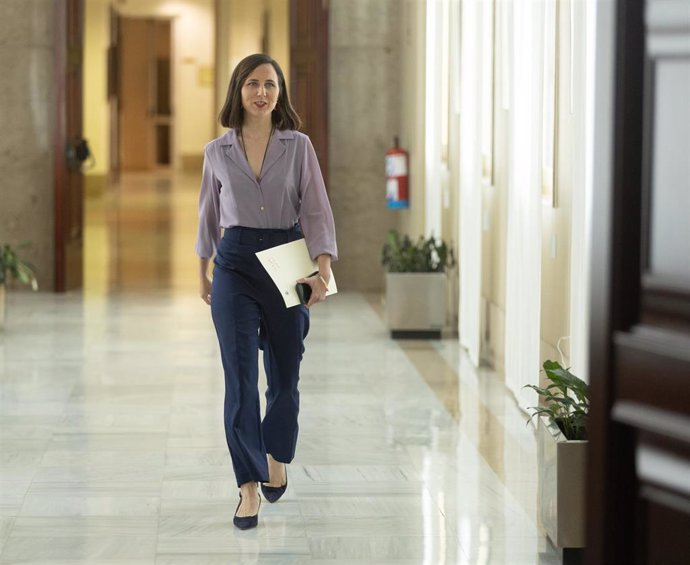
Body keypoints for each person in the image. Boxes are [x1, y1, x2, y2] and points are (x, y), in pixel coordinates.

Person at [195, 53, 337, 530]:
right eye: (253, 84)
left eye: (270, 85)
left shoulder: (298, 147)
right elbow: (208, 217)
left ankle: (277, 454)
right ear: (238, 90)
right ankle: (248, 486)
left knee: (285, 372)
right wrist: (202, 271)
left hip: (287, 260)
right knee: (239, 378)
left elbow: (316, 208)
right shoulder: (218, 151)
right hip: (233, 262)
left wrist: (321, 270)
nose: (261, 93)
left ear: (280, 94)